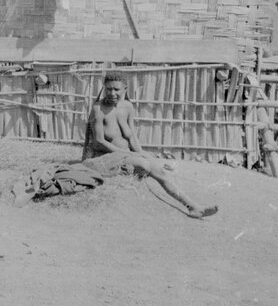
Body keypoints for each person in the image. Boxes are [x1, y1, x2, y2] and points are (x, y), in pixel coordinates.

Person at [78, 72, 218, 218]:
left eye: (116, 89)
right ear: (104, 88)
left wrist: (141, 152)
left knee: (158, 169)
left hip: (127, 154)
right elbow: (100, 141)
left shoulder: (128, 107)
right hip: (107, 157)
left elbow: (131, 136)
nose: (112, 93)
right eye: (108, 89)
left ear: (125, 89)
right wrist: (132, 154)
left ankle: (193, 207)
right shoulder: (98, 109)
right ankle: (192, 206)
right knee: (144, 165)